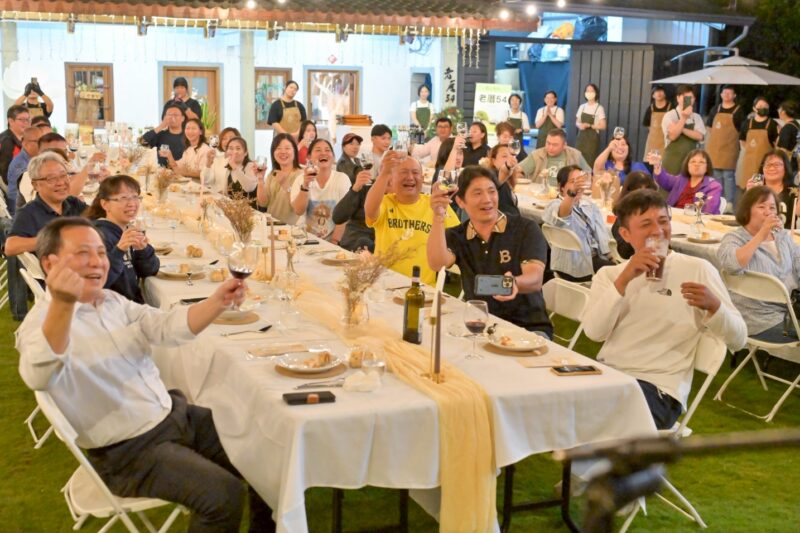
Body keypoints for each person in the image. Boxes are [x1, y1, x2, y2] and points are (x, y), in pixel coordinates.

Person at [16, 217, 275, 532]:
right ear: (49, 263)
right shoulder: (40, 325)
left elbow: (165, 327)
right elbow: (38, 374)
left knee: (264, 454)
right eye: (83, 253)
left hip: (172, 414)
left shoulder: (110, 301)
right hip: (127, 451)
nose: (98, 261)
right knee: (223, 495)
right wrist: (62, 304)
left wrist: (218, 300)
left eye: (100, 252)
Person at [582, 189, 746, 429]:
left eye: (663, 221)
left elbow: (739, 339)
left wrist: (715, 306)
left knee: (588, 414)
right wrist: (624, 280)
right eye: (646, 224)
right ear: (625, 234)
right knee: (558, 401)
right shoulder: (610, 275)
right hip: (608, 375)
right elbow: (594, 332)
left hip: (659, 388)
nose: (658, 231)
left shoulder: (697, 269)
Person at [427, 165, 553, 338]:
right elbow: (436, 263)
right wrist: (438, 216)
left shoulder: (525, 229)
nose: (487, 199)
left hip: (527, 329)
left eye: (492, 191)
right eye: (477, 193)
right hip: (477, 325)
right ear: (461, 202)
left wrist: (514, 283)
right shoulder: (458, 235)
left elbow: (535, 278)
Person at [717, 186, 800, 341]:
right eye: (761, 207)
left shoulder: (782, 237)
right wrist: (762, 234)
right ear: (747, 210)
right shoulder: (734, 238)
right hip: (757, 320)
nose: (768, 212)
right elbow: (731, 265)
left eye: (772, 207)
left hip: (790, 312)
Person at [365, 152, 459, 285]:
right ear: (391, 179)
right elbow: (370, 210)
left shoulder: (435, 204)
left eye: (415, 173)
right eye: (403, 172)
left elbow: (459, 237)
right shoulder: (385, 203)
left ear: (422, 177)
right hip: (383, 284)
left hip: (421, 288)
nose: (410, 177)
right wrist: (385, 173)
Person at [84, 175, 158, 304]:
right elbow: (97, 283)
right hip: (112, 311)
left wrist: (143, 250)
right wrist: (119, 250)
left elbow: (150, 271)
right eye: (123, 198)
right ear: (105, 204)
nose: (132, 204)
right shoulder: (97, 237)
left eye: (135, 197)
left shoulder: (126, 231)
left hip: (130, 307)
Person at [5, 152, 87, 258]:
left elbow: (98, 215)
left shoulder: (72, 202)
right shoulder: (29, 213)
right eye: (51, 179)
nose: (61, 182)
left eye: (63, 175)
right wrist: (54, 239)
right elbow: (10, 247)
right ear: (35, 185)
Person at [543, 165, 614, 282]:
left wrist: (612, 258)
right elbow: (563, 216)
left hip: (594, 260)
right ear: (561, 187)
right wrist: (572, 193)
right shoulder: (554, 205)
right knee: (621, 277)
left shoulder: (589, 205)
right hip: (573, 266)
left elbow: (602, 237)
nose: (579, 186)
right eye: (573, 182)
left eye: (580, 181)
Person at [290, 139, 350, 242]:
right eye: (318, 150)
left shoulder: (342, 179)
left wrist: (334, 242)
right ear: (309, 157)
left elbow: (345, 215)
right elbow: (298, 211)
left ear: (333, 157)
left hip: (333, 241)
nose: (323, 153)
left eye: (327, 150)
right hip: (304, 239)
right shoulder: (301, 179)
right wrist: (305, 185)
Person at [705, 85, 746, 207]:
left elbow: (741, 130)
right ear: (721, 95)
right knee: (716, 174)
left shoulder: (738, 111)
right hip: (715, 148)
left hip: (730, 148)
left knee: (728, 176)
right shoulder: (715, 109)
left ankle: (729, 203)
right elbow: (709, 126)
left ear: (734, 96)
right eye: (725, 93)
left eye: (730, 93)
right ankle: (718, 201)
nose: (727, 95)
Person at [648, 149, 723, 214]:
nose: (696, 164)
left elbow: (709, 210)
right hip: (674, 217)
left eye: (701, 162)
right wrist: (657, 165)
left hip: (694, 221)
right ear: (687, 166)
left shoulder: (714, 186)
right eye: (693, 161)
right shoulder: (681, 179)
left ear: (707, 167)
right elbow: (664, 180)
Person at [610, 171, 658, 260]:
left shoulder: (657, 215)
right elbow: (624, 253)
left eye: (647, 189)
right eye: (638, 189)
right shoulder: (622, 219)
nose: (643, 194)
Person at [736, 96, 779, 196]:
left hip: (766, 166)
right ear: (754, 108)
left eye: (765, 106)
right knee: (747, 193)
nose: (763, 108)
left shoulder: (772, 124)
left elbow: (777, 144)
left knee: (762, 193)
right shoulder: (747, 124)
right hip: (748, 165)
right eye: (760, 106)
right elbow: (742, 141)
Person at [256, 133, 302, 225]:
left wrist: (285, 185)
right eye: (278, 148)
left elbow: (298, 208)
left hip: (291, 228)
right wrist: (260, 180)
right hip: (271, 226)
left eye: (287, 148)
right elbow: (263, 203)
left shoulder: (301, 175)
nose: (283, 152)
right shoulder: (272, 174)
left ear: (295, 151)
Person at [519, 128, 591, 187]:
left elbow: (588, 174)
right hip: (541, 194)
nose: (550, 147)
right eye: (548, 143)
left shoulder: (575, 155)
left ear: (564, 145)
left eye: (555, 145)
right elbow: (518, 171)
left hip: (566, 195)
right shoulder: (537, 155)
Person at [744, 150, 796, 228]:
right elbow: (743, 217)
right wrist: (749, 195)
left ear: (786, 167)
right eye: (768, 165)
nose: (771, 168)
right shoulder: (755, 189)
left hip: (784, 237)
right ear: (762, 168)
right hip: (756, 235)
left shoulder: (793, 191)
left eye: (777, 165)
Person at [661, 85, 706, 175]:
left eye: (691, 97)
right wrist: (684, 118)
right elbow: (673, 136)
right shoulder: (670, 115)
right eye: (685, 97)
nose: (688, 100)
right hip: (672, 161)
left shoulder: (697, 117)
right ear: (678, 98)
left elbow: (700, 136)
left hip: (691, 163)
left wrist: (681, 129)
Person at [331, 163, 377, 252]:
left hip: (385, 252)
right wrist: (355, 188)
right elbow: (338, 217)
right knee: (363, 242)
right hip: (353, 246)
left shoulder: (405, 196)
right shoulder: (366, 188)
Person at [5, 126, 42, 215]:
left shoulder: (32, 160)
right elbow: (24, 198)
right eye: (38, 141)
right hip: (21, 214)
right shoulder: (21, 166)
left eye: (42, 140)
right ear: (25, 144)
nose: (42, 144)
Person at [142, 103, 185, 167]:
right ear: (165, 117)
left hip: (185, 173)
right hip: (163, 174)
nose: (172, 117)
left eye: (176, 115)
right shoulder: (161, 134)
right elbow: (143, 142)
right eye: (169, 115)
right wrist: (161, 126)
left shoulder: (189, 135)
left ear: (182, 118)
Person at [485, 143, 521, 216]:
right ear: (493, 160)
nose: (509, 159)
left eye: (511, 156)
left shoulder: (509, 179)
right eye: (504, 156)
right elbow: (504, 171)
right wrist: (508, 166)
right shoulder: (492, 176)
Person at [202, 126, 242, 192]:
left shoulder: (241, 161)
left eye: (231, 138)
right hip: (216, 197)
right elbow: (206, 181)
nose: (227, 141)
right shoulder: (217, 158)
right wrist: (208, 163)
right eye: (224, 139)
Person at [575, 83, 606, 166]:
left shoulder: (599, 108)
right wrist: (579, 125)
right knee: (578, 159)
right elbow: (577, 121)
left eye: (591, 90)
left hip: (592, 140)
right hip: (581, 138)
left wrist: (590, 125)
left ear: (596, 93)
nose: (589, 92)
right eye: (587, 90)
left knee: (590, 160)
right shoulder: (582, 106)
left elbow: (603, 126)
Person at [0, 105, 30, 191]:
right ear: (11, 121)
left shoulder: (23, 138)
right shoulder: (6, 141)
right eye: (21, 120)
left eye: (27, 119)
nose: (26, 123)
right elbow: (5, 172)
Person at [641, 85, 673, 159]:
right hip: (652, 141)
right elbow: (647, 125)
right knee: (650, 162)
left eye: (661, 91)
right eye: (656, 91)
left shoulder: (671, 107)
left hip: (667, 141)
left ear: (665, 94)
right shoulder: (650, 108)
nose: (659, 93)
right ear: (653, 95)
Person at [777, 100, 799, 173]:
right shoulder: (796, 125)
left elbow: (782, 151)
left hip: (790, 167)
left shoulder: (787, 128)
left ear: (783, 112)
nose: (778, 111)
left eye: (779, 109)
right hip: (797, 164)